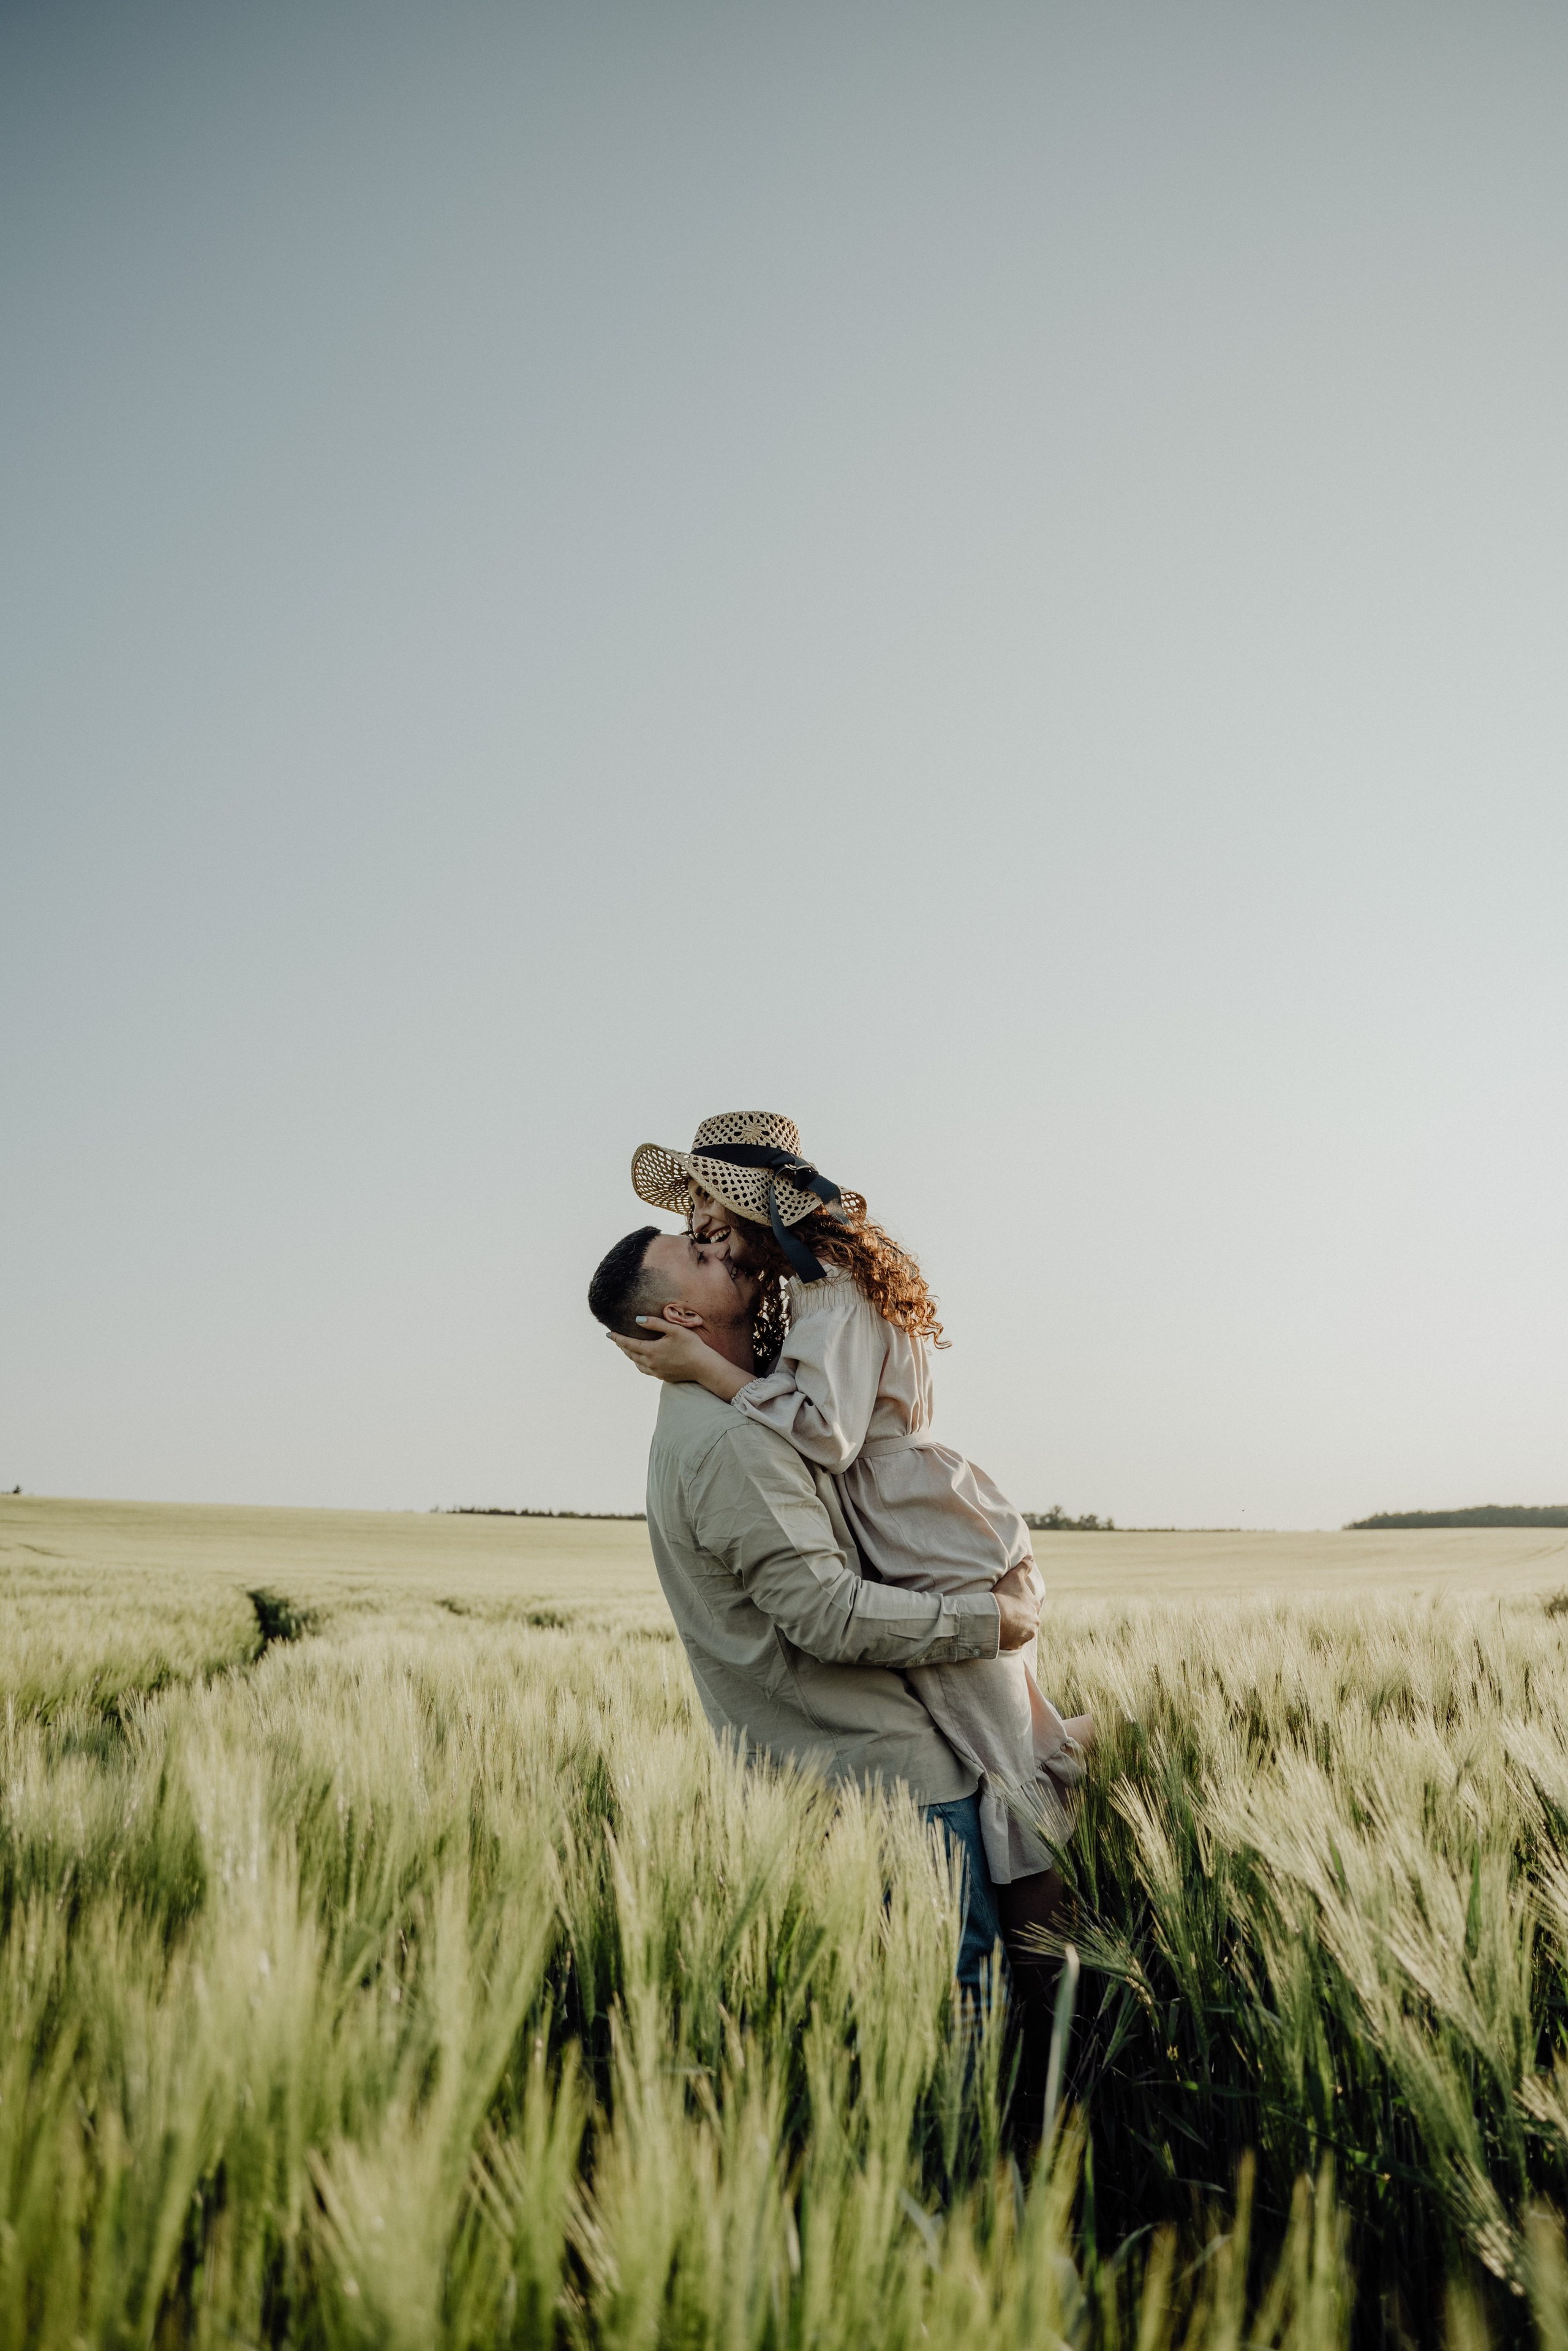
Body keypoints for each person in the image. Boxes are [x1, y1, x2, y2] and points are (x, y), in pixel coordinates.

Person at [610, 1112, 1093, 1987]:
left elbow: (827, 1436)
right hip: (901, 1533)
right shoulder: (802, 1302)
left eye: (709, 1206)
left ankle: (1054, 2008)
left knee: (1011, 1775)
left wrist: (708, 1368)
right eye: (692, 1222)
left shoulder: (827, 1290)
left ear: (760, 1205)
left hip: (920, 1530)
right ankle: (1043, 2011)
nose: (700, 1225)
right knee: (1003, 1758)